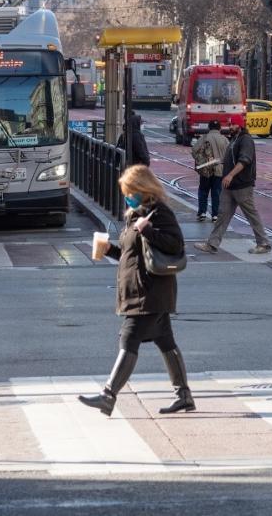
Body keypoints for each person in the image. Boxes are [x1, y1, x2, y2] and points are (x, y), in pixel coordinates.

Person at [81, 165, 193, 416]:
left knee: (129, 338)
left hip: (149, 291)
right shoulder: (133, 215)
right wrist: (108, 249)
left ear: (143, 189)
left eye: (130, 192)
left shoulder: (159, 213)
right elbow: (131, 254)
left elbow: (175, 244)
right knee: (165, 341)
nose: (126, 196)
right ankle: (184, 396)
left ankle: (108, 396)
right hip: (139, 289)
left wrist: (149, 230)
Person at [196, 123, 272, 255]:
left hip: (242, 184)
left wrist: (230, 175)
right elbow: (231, 158)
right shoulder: (234, 139)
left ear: (240, 125)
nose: (230, 127)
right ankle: (212, 244)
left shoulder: (246, 140)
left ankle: (263, 243)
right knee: (222, 215)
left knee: (251, 214)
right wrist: (217, 163)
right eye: (229, 124)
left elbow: (245, 160)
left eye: (233, 124)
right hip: (229, 186)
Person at [192, 120, 228, 222]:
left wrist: (200, 160)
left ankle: (202, 212)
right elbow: (229, 154)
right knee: (216, 192)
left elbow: (194, 150)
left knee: (203, 190)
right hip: (219, 169)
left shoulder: (204, 138)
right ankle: (215, 214)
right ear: (219, 128)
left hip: (205, 169)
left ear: (209, 128)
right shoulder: (224, 139)